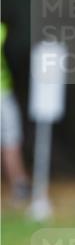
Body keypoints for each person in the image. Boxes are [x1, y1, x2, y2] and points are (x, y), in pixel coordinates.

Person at [1, 22, 31, 205]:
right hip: (2, 94)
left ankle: (20, 185)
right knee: (11, 139)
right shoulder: (3, 30)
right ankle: (19, 184)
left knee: (10, 139)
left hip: (4, 92)